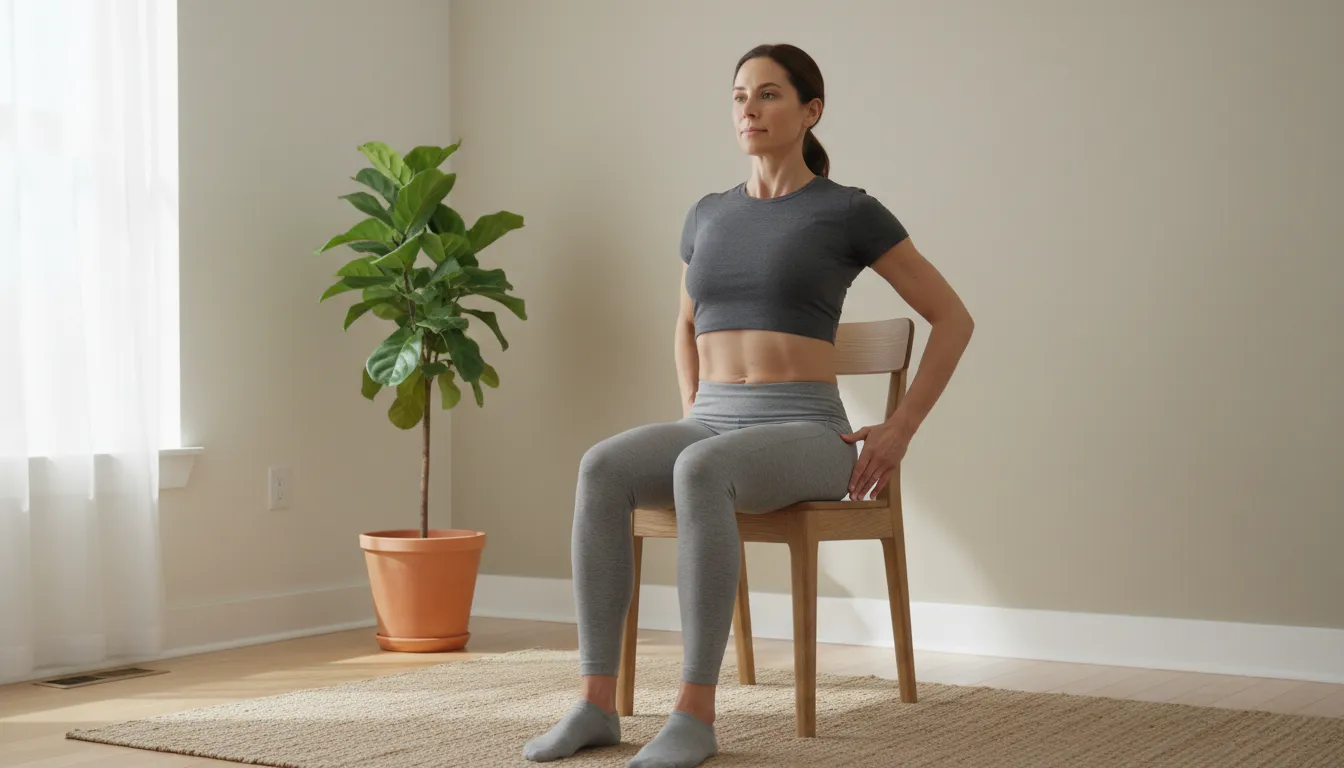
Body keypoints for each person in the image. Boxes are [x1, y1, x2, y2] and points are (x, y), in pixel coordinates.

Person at [524, 43, 974, 767]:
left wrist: (900, 429)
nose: (749, 109)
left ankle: (694, 715)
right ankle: (595, 704)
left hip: (808, 429)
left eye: (768, 95)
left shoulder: (848, 211)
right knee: (603, 466)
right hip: (713, 421)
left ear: (810, 111)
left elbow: (953, 318)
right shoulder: (708, 214)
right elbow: (684, 324)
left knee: (702, 469)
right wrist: (693, 410)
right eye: (739, 96)